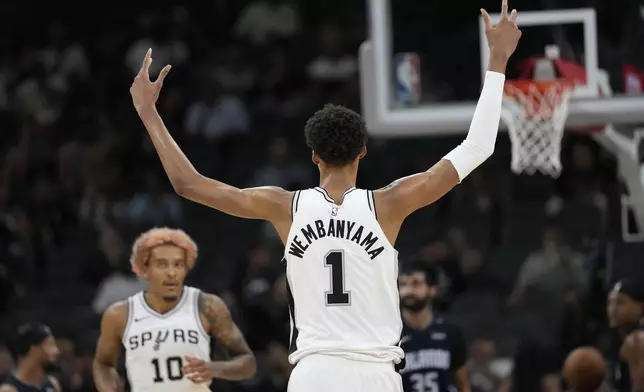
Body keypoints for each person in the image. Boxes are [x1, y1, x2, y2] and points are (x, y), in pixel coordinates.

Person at [128, 1, 521, 390]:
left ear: (313, 155)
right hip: (375, 373)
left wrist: (149, 112)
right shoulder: (389, 203)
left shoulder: (284, 206)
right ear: (363, 152)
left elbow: (189, 185)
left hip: (314, 374)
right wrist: (498, 59)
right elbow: (478, 146)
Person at [92, 228, 256, 392]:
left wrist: (214, 369)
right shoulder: (120, 314)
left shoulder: (207, 306)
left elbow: (247, 362)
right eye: (162, 264)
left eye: (177, 264)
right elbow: (103, 363)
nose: (171, 273)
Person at [398, 262, 469, 392]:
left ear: (433, 290)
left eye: (416, 284)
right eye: (403, 284)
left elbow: (462, 380)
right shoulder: (391, 334)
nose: (408, 291)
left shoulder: (450, 331)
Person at [0, 323, 61, 392]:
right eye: (50, 344)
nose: (57, 351)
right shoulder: (9, 390)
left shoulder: (52, 384)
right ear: (34, 350)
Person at [607, 279, 644, 392]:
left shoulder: (638, 341)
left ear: (642, 307)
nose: (612, 309)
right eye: (610, 302)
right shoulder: (616, 339)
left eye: (620, 302)